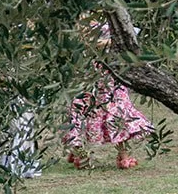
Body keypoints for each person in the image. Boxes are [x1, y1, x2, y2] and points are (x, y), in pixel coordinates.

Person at [63, 23, 153, 169]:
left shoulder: (88, 18)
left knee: (83, 112)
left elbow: (82, 40)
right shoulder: (109, 19)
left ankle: (79, 153)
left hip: (96, 75)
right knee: (116, 112)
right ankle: (122, 156)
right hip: (109, 75)